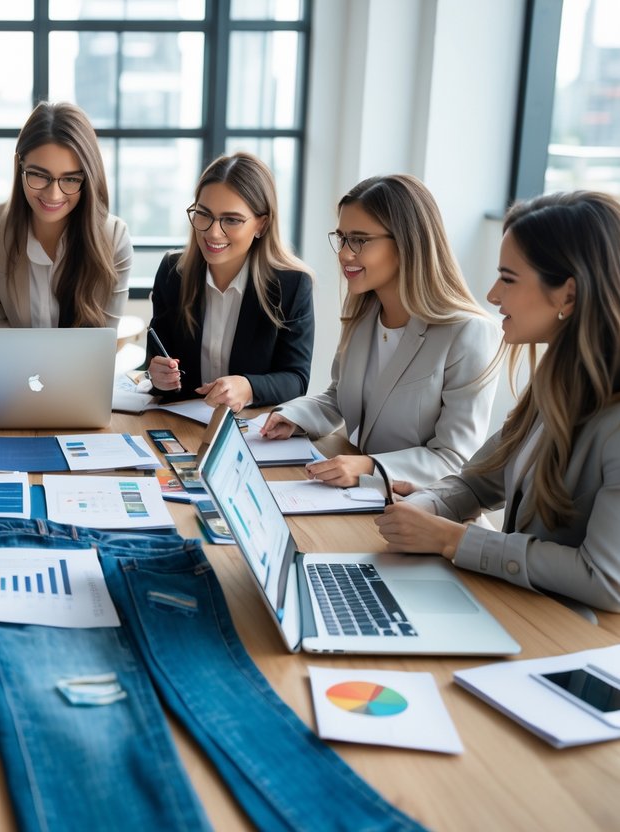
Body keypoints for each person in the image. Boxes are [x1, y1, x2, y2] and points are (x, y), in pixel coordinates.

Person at [377, 191, 620, 612]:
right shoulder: (557, 384)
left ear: (568, 295)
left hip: (571, 642)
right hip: (519, 608)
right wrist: (426, 506)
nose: (492, 295)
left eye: (508, 278)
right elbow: (478, 480)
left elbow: (604, 579)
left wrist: (450, 538)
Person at [261, 174, 500, 486]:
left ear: (406, 243)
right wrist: (293, 417)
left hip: (421, 511)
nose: (345, 253)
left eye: (360, 240)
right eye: (342, 238)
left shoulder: (468, 333)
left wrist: (368, 468)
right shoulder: (363, 310)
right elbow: (341, 396)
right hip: (361, 499)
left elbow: (454, 459)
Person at [146, 152, 314, 409]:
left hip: (251, 428)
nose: (213, 232)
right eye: (204, 214)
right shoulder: (173, 272)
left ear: (262, 225)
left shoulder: (291, 284)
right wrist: (157, 375)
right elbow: (158, 355)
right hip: (179, 424)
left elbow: (296, 378)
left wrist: (248, 387)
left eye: (232, 220)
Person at [0, 101, 132, 329]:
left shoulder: (114, 238)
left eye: (71, 179)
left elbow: (102, 341)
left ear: (87, 179)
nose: (53, 194)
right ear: (19, 166)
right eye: (39, 175)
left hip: (83, 366)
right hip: (11, 365)